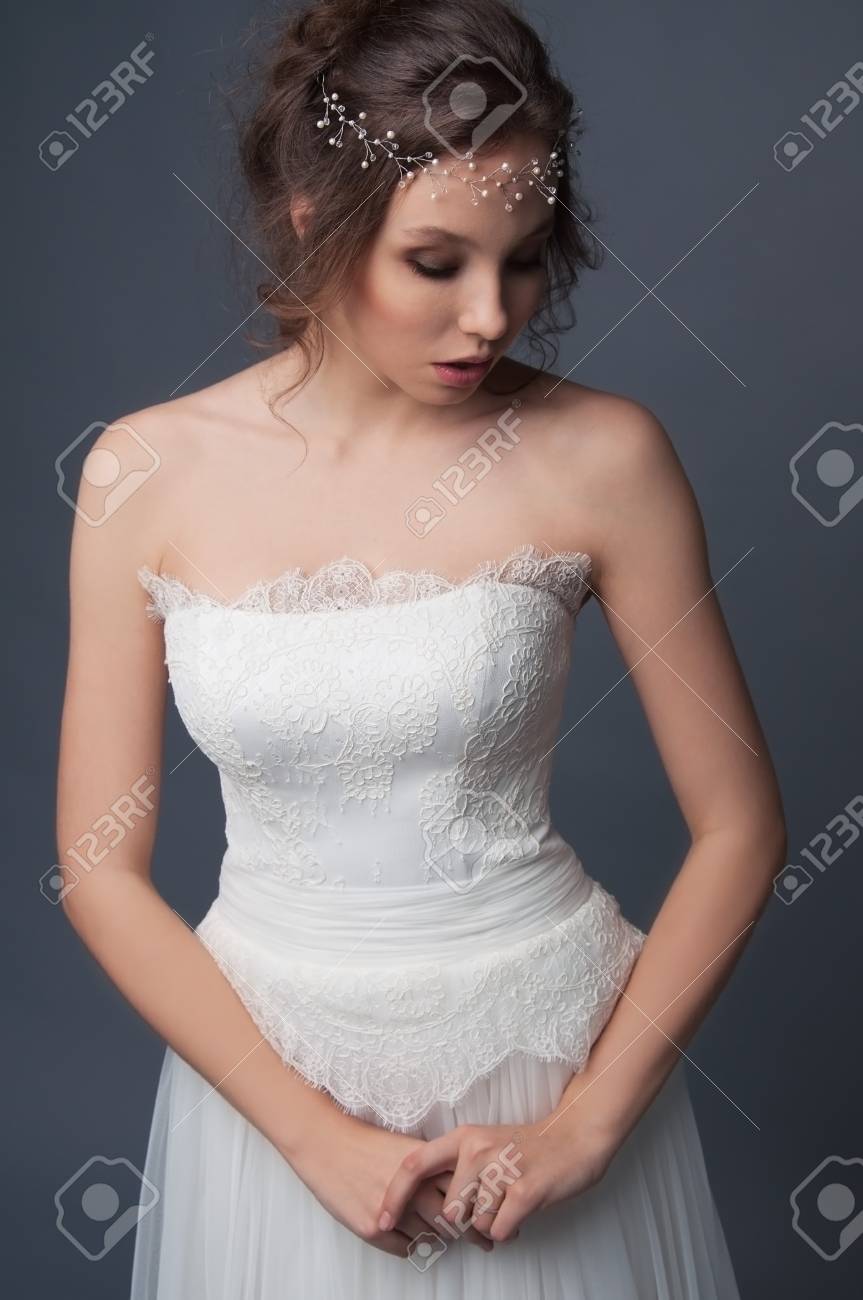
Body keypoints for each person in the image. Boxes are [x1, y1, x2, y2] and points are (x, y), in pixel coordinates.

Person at [56, 0, 786, 1294]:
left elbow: (740, 826)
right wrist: (312, 1138)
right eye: (438, 263)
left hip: (542, 1074)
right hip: (271, 1090)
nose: (492, 316)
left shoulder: (603, 455)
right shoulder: (143, 472)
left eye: (522, 260)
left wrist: (587, 1124)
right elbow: (98, 870)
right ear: (312, 218)